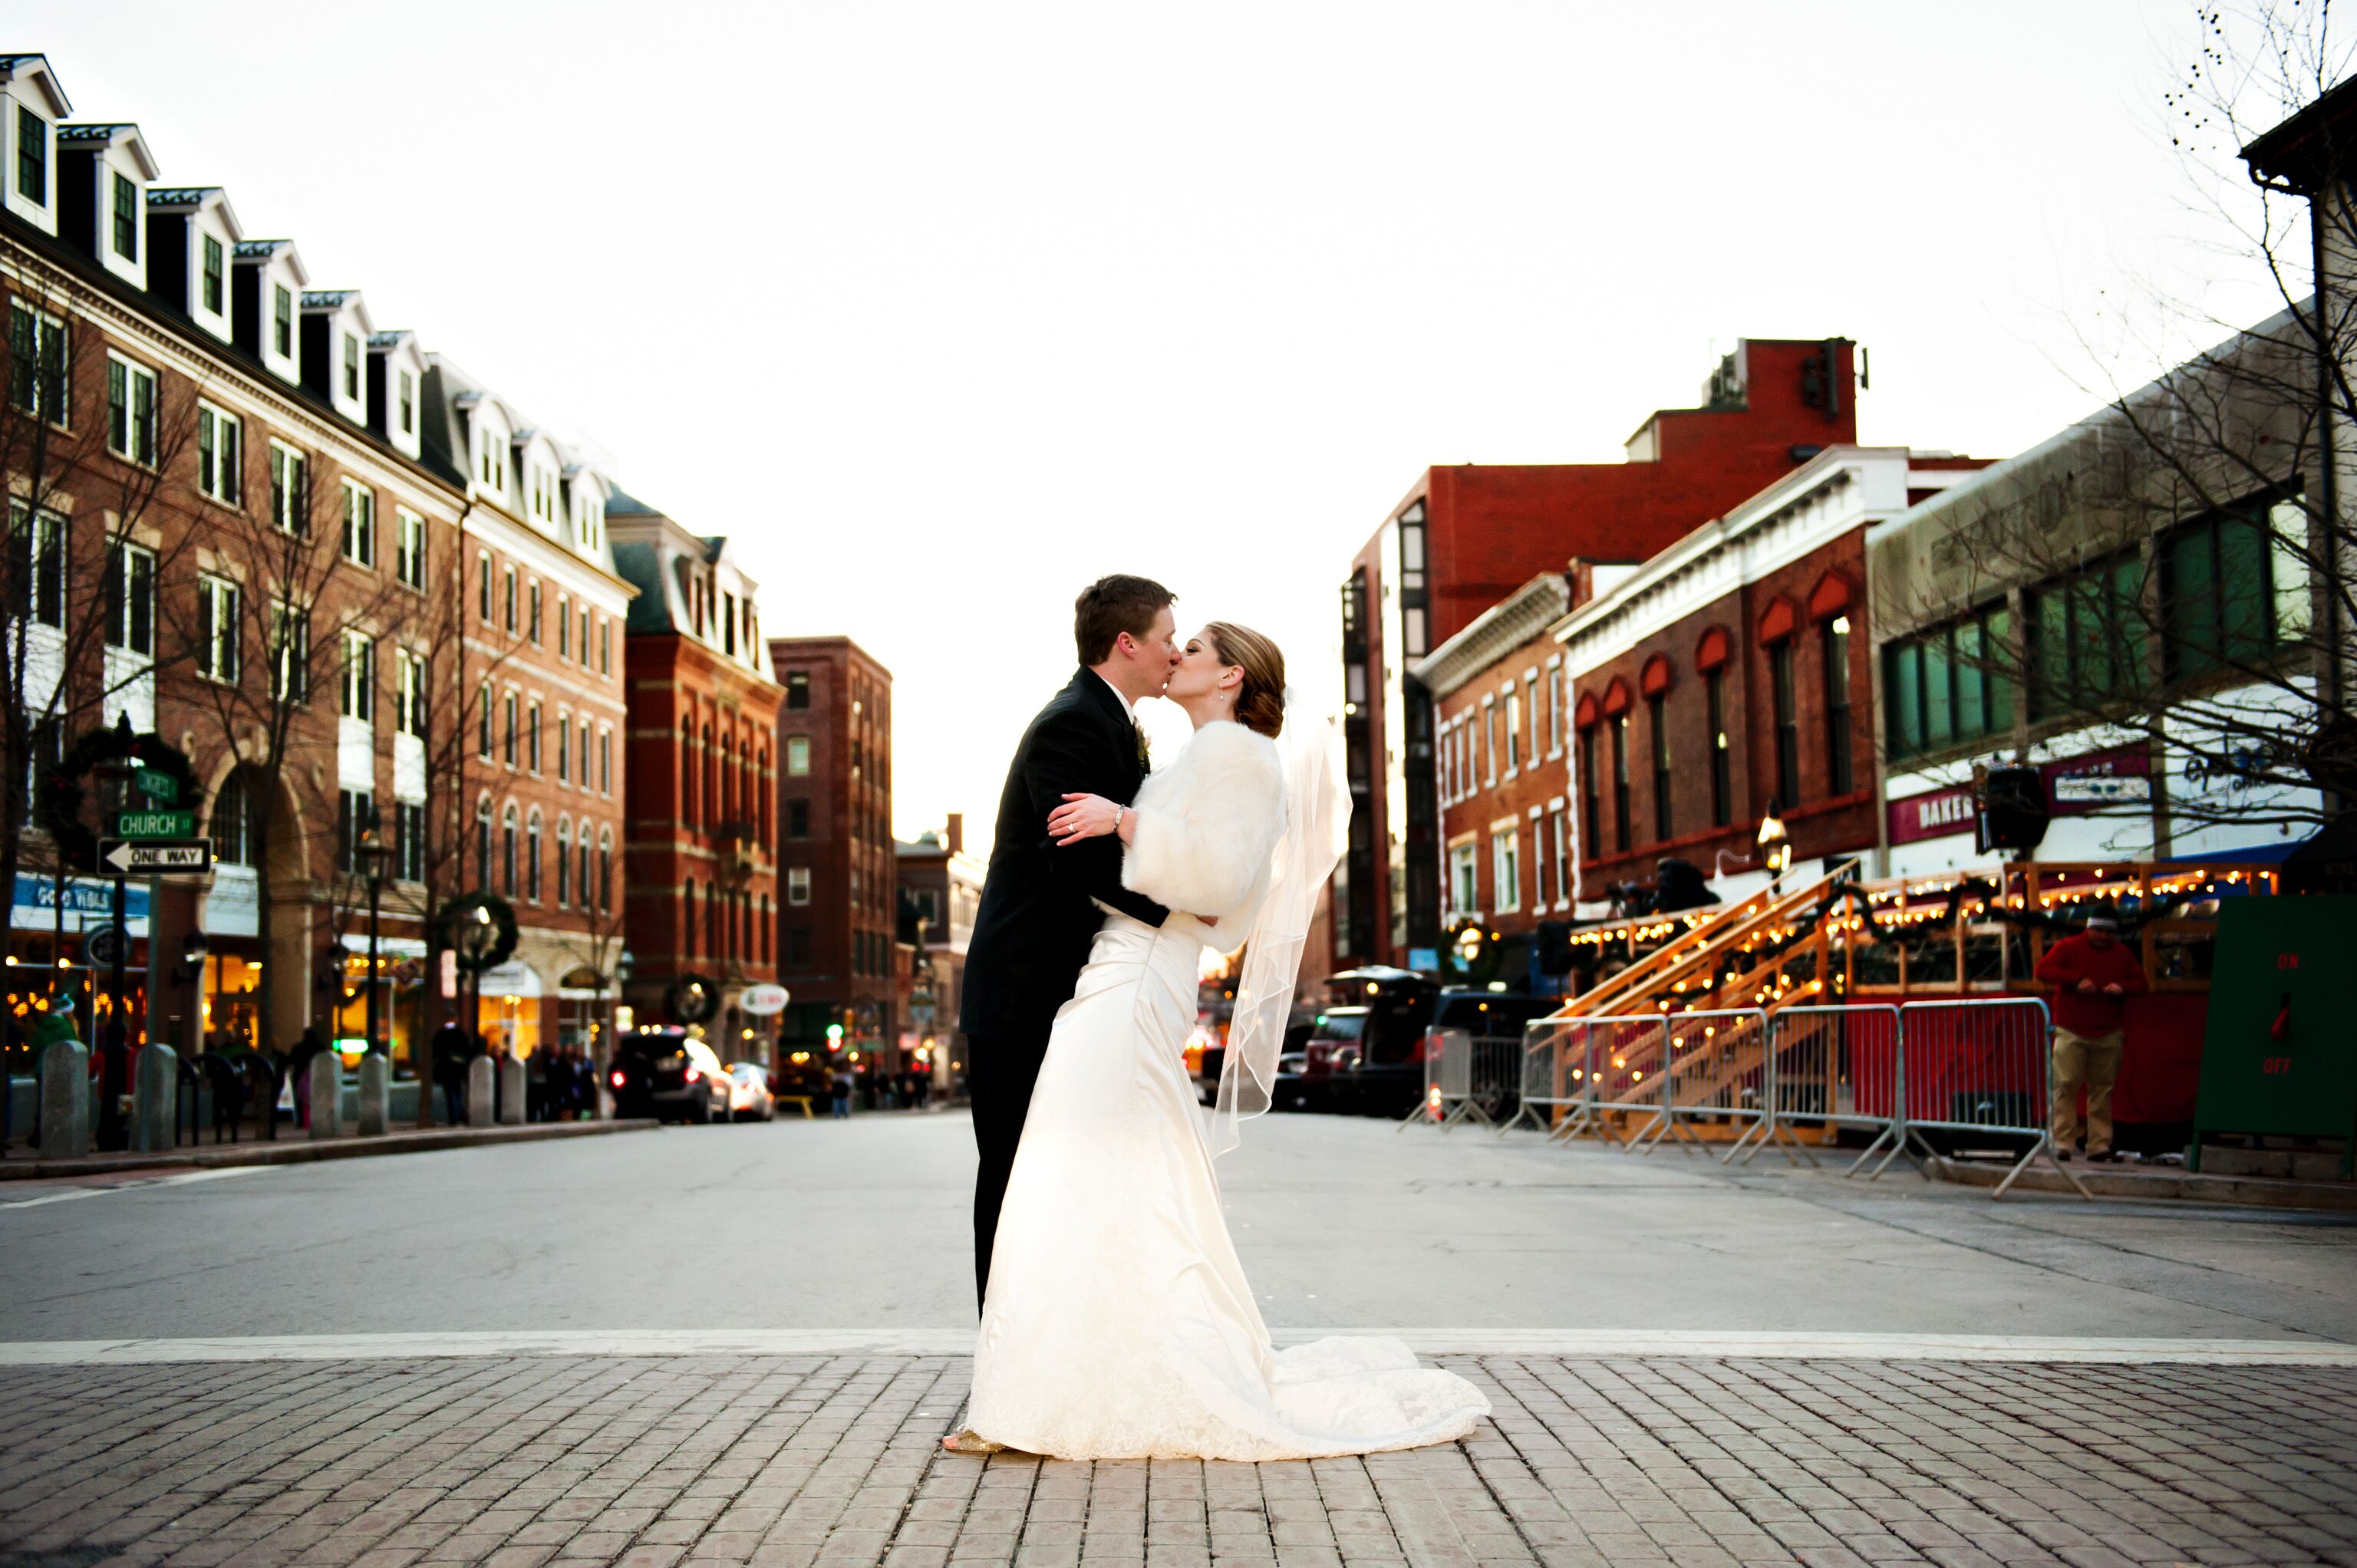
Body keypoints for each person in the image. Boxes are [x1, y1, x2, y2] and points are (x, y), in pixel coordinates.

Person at [958, 614, 1488, 1462]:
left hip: (1137, 980)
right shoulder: (1199, 755)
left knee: (1067, 1161)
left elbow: (1222, 885)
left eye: (1194, 647)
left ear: (1232, 675)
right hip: (1118, 969)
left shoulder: (1243, 757)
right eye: (1175, 640)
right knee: (1094, 1167)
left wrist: (1125, 824)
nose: (1179, 655)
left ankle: (1061, 1377)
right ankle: (1075, 1364)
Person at [2034, 911, 2149, 1161]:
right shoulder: (2068, 947)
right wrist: (2075, 981)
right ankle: (2063, 1143)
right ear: (2089, 929)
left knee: (2102, 1089)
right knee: (2066, 1085)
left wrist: (2123, 988)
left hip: (2108, 1030)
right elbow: (2043, 969)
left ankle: (2098, 1145)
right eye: (2099, 931)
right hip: (2071, 1028)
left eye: (2109, 932)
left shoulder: (2122, 954)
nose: (2104, 936)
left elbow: (2141, 984)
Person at [430, 1019, 470, 1126]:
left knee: (450, 1094)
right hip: (457, 1069)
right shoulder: (459, 1034)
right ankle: (459, 1114)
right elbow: (467, 1050)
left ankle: (454, 1117)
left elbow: (435, 1053)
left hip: (446, 1070)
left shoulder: (440, 1034)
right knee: (458, 1093)